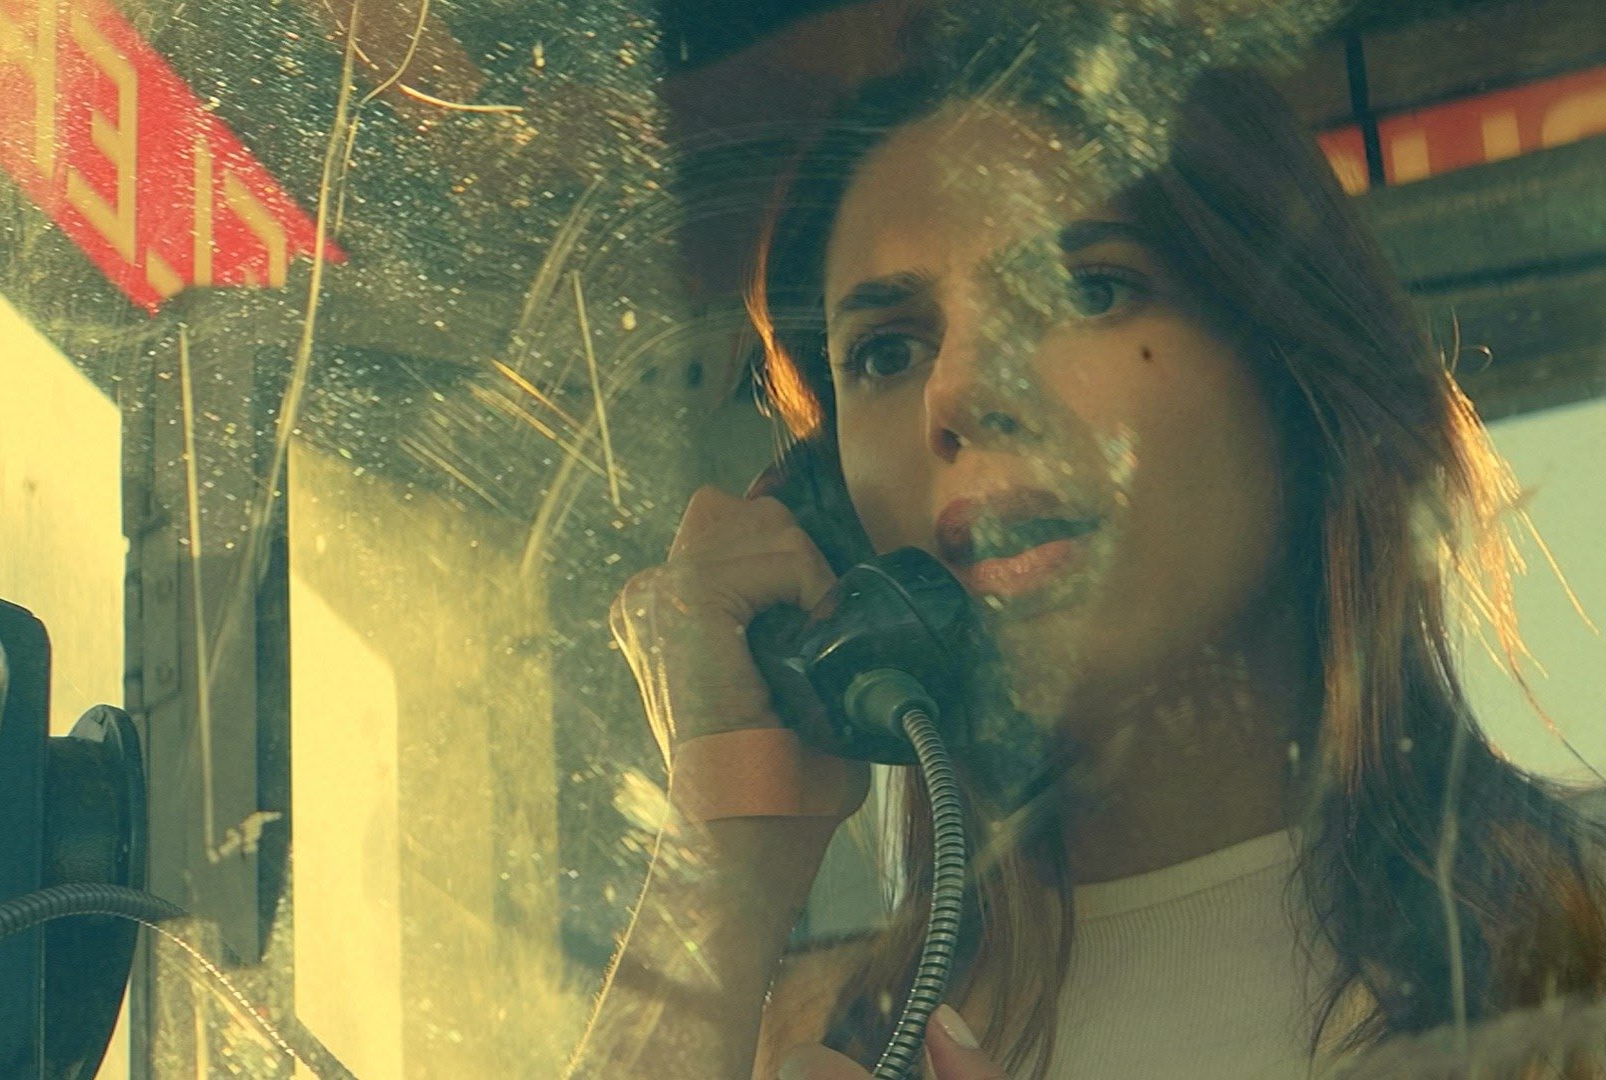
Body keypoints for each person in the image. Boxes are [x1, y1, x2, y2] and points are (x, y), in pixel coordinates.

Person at [570, 17, 1606, 1080]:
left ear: (1291, 369)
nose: (959, 392)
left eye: (1088, 292)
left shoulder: (1576, 945)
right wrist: (722, 850)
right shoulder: (811, 1037)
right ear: (832, 512)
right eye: (885, 353)